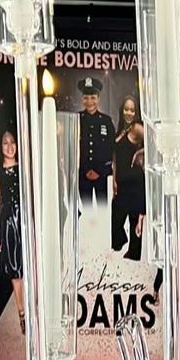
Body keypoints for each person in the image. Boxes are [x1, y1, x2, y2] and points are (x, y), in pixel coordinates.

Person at [0, 129, 24, 331]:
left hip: (27, 218)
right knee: (14, 268)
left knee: (29, 265)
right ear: (0, 146)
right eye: (5, 143)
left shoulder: (25, 166)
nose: (10, 146)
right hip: (9, 221)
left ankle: (34, 307)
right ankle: (21, 313)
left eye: (12, 142)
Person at [77, 75, 116, 205]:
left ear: (98, 99)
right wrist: (86, 170)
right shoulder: (77, 119)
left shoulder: (106, 121)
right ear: (82, 99)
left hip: (102, 176)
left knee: (102, 211)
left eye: (93, 97)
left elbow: (111, 148)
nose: (89, 101)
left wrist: (99, 170)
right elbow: (75, 148)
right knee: (85, 211)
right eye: (86, 98)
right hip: (83, 175)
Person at [111, 121, 147, 258]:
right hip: (123, 184)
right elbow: (115, 160)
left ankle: (133, 253)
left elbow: (153, 143)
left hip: (137, 185)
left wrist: (140, 153)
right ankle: (119, 244)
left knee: (135, 220)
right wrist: (114, 179)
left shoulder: (140, 133)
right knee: (117, 216)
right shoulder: (120, 138)